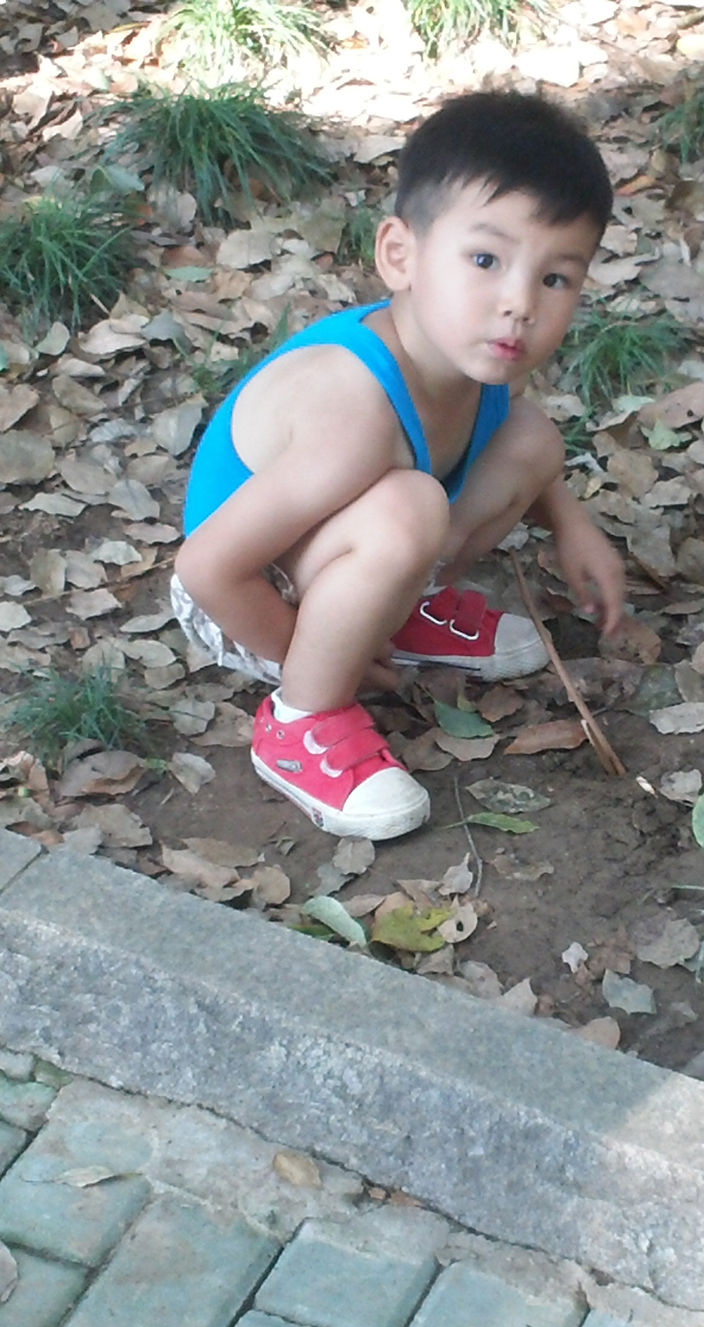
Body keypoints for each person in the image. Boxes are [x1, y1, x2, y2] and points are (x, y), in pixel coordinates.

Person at [171, 90, 625, 842]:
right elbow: (207, 568)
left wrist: (572, 525)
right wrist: (313, 659)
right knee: (409, 507)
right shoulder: (353, 406)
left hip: (315, 551)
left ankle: (395, 609)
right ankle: (301, 721)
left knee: (532, 439)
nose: (518, 303)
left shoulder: (477, 354)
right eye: (485, 260)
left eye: (555, 278)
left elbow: (525, 447)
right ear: (400, 256)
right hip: (244, 595)